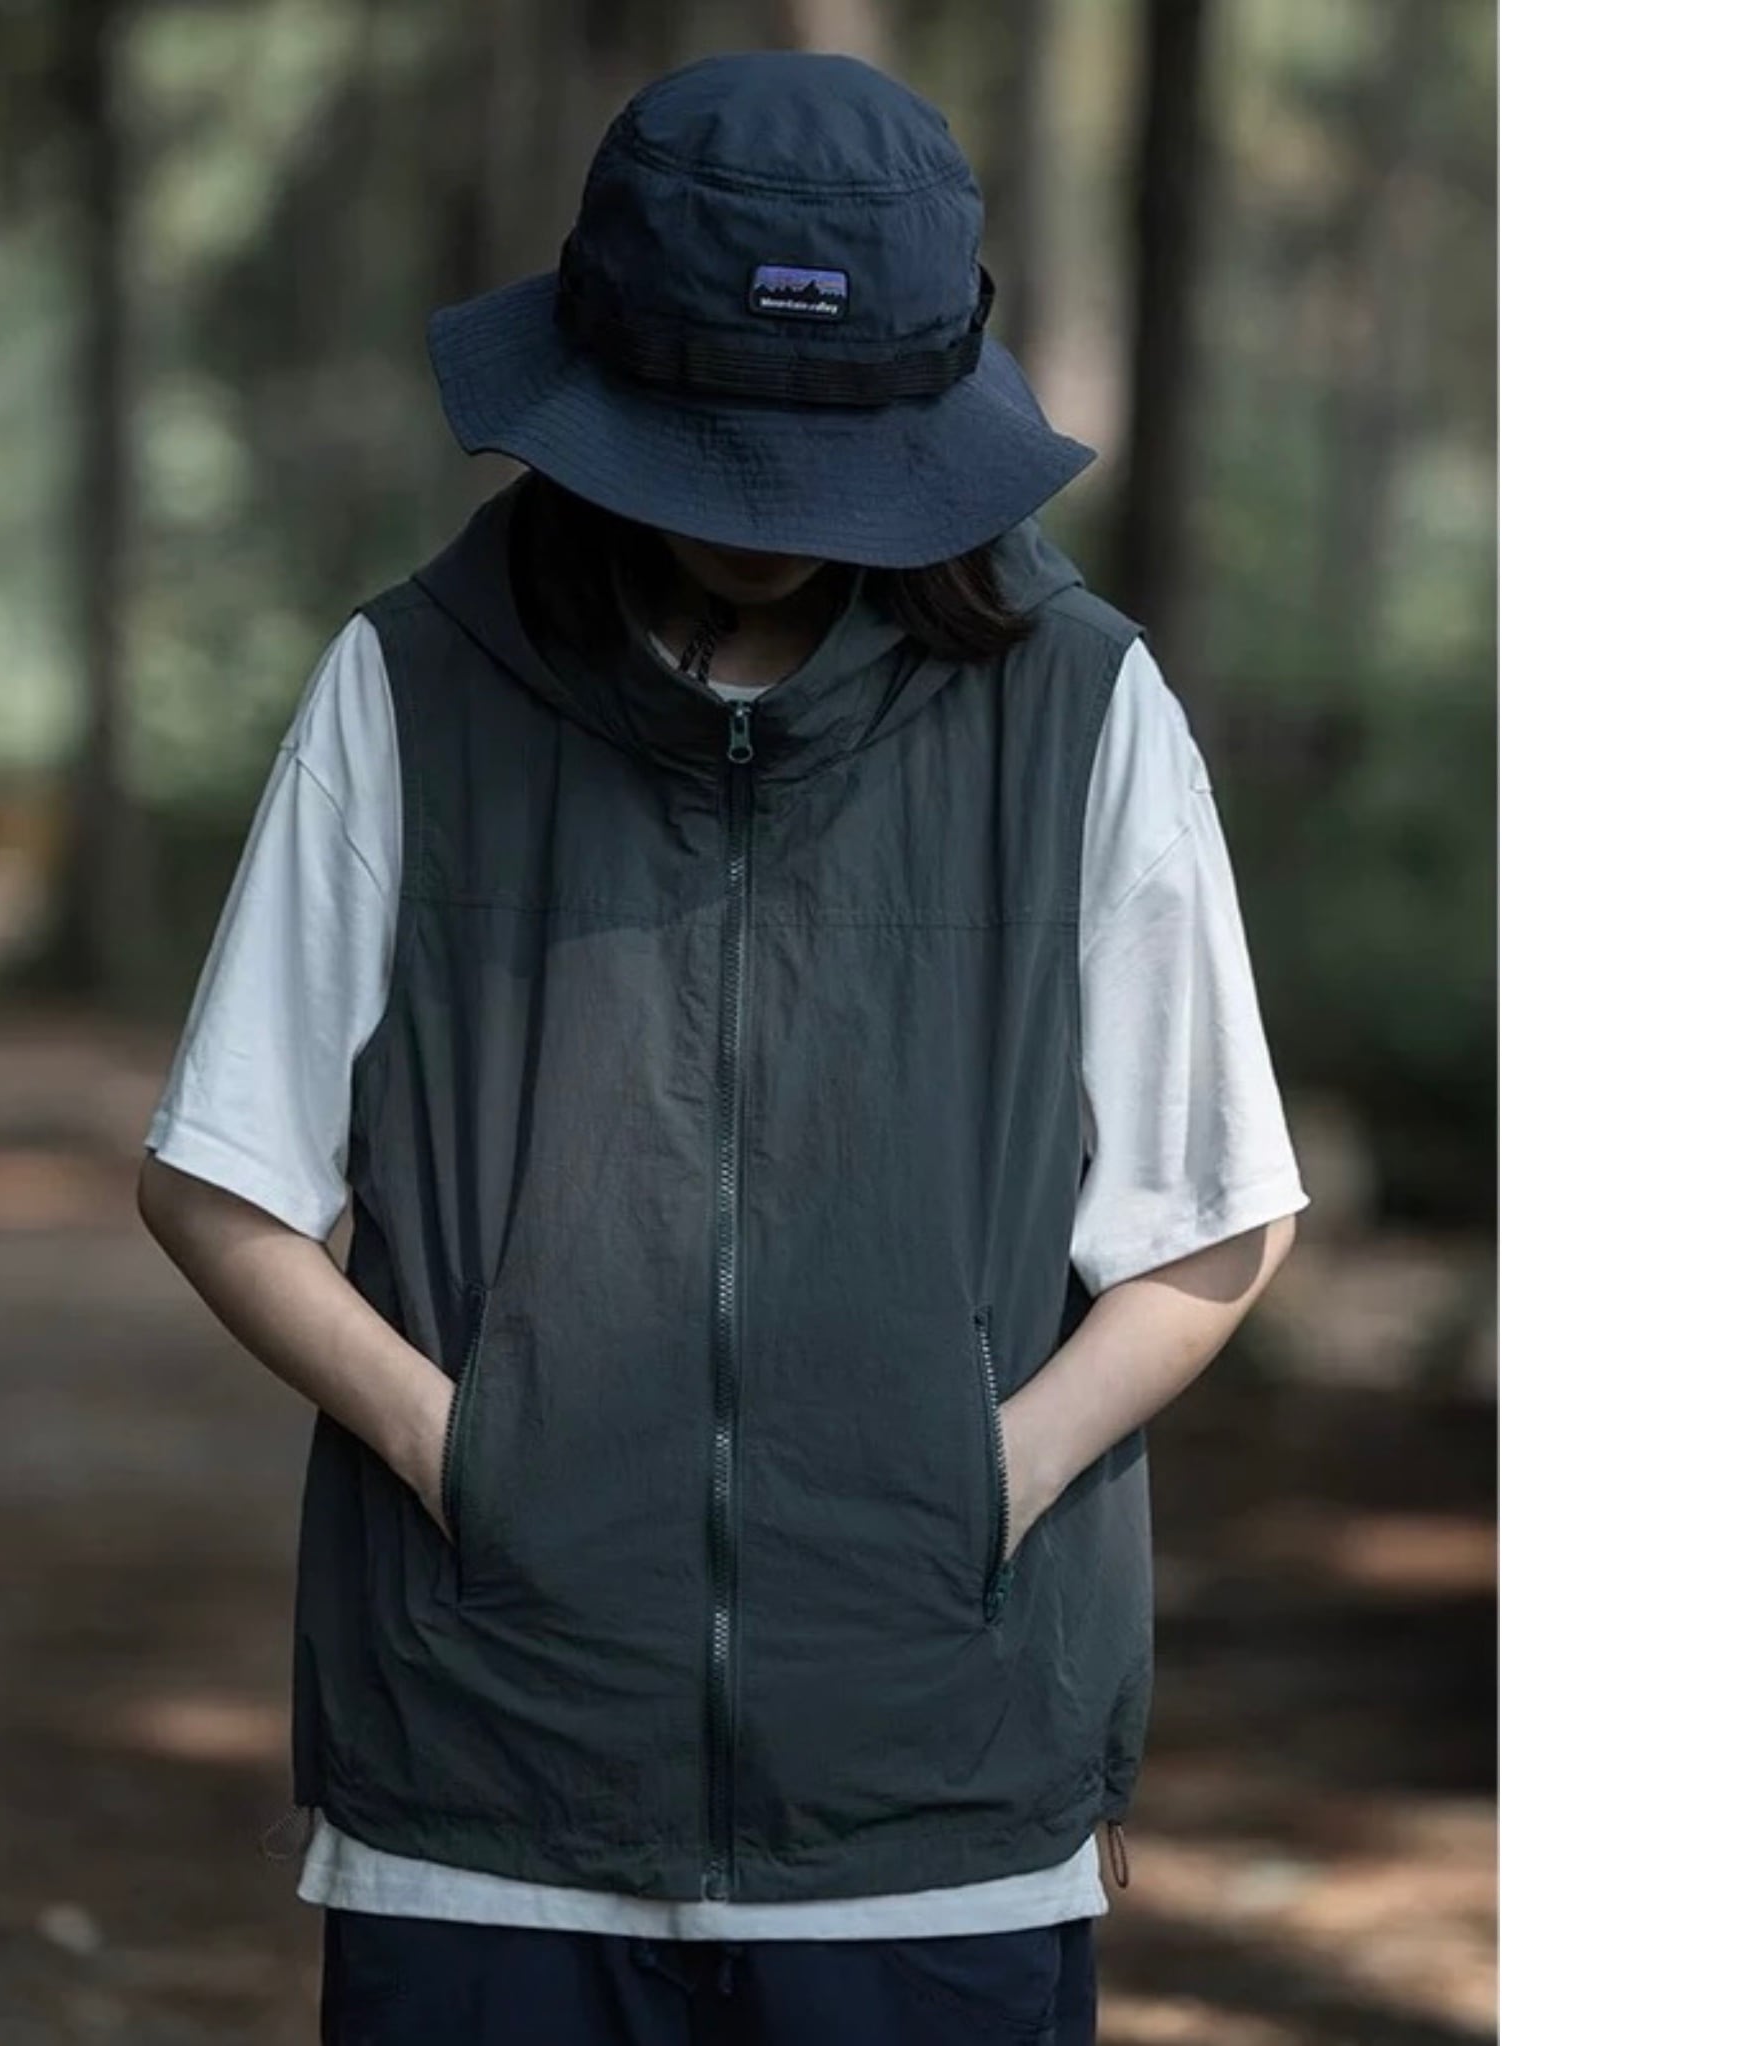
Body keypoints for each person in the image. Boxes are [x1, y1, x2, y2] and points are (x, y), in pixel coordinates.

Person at [138, 48, 1308, 2046]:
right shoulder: (411, 688)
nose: (766, 518)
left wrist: (986, 1478)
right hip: (486, 1806)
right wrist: (463, 1451)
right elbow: (218, 1173)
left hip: (937, 1816)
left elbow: (1215, 1216)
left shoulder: (1080, 712)